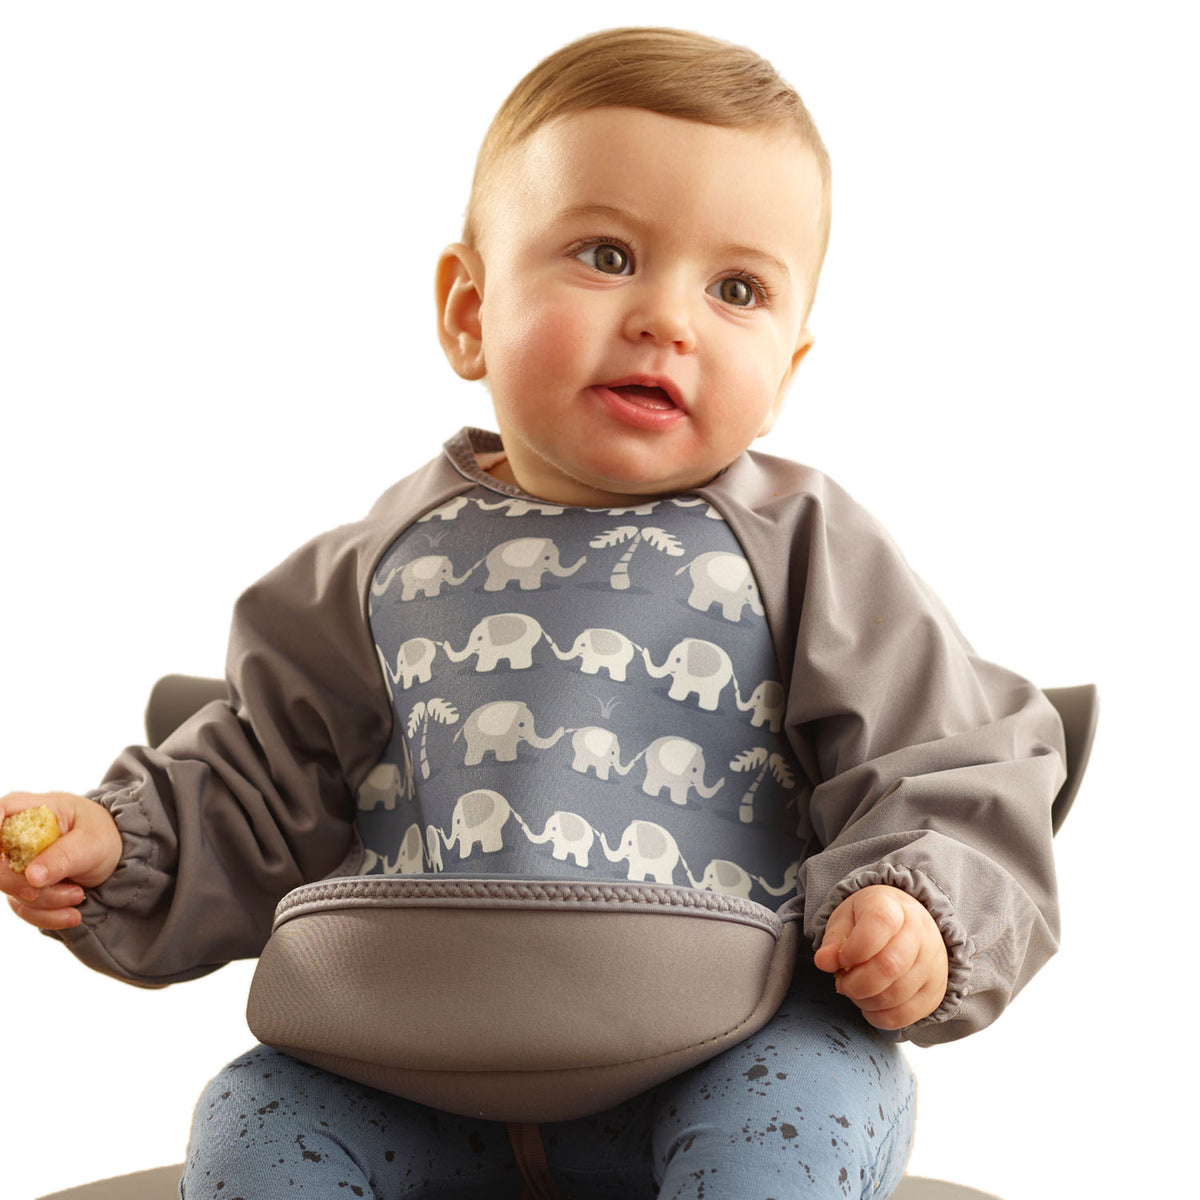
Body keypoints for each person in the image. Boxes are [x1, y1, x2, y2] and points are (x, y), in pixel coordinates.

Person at [1, 27, 1064, 1200]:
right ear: (468, 307)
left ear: (789, 367)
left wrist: (914, 908)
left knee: (787, 1125)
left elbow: (947, 762)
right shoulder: (374, 566)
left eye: (737, 289)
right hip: (400, 1060)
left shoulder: (808, 548)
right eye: (607, 254)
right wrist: (125, 847)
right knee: (254, 1119)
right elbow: (258, 782)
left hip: (730, 1043)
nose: (670, 318)